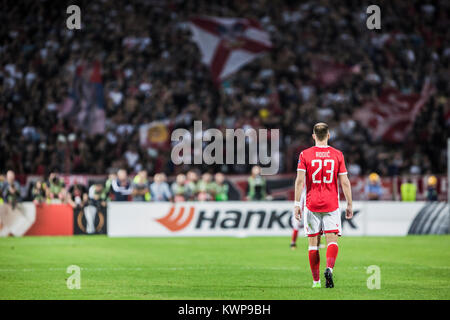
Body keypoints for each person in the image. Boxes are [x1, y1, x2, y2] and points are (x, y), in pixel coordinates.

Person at [294, 122, 353, 288]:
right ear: (328, 135)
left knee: (313, 245)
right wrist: (349, 203)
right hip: (331, 203)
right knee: (332, 241)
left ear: (313, 136)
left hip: (312, 204)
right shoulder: (337, 154)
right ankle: (329, 269)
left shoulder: (305, 154)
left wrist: (297, 203)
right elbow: (345, 182)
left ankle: (316, 282)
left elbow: (299, 181)